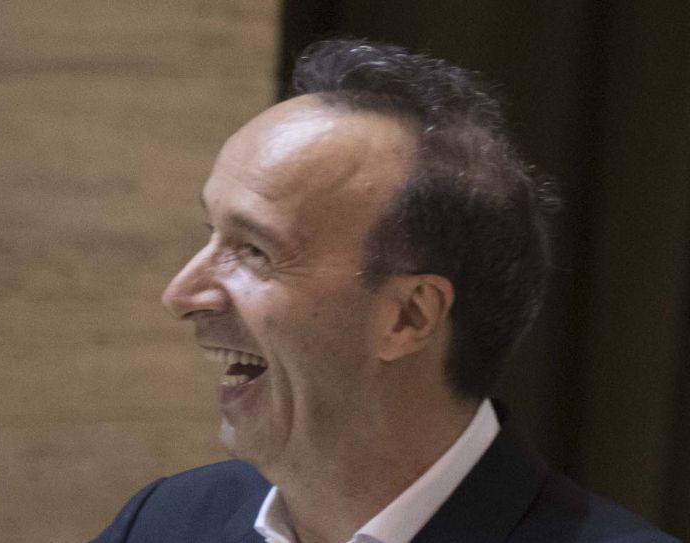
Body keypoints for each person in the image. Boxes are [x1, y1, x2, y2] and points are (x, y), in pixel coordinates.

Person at [92, 39, 678, 543]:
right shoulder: (165, 521)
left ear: (409, 317)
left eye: (254, 251)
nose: (182, 294)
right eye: (210, 233)